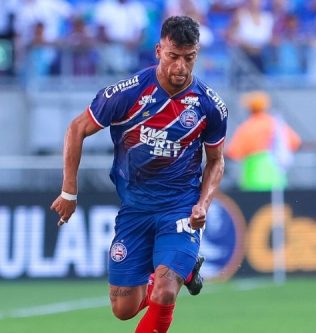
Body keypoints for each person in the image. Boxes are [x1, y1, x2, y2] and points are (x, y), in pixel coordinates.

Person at [50, 16, 228, 333]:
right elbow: (77, 129)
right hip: (135, 208)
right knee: (123, 308)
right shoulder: (129, 93)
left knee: (165, 289)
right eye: (174, 56)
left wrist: (204, 203)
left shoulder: (209, 105)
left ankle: (176, 271)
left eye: (189, 58)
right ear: (159, 51)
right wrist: (69, 192)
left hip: (179, 208)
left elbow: (216, 161)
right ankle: (186, 271)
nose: (181, 68)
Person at [225, 90, 301, 191]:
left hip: (254, 178)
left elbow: (233, 152)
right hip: (277, 177)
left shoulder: (248, 127)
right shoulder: (276, 124)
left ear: (250, 108)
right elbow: (296, 142)